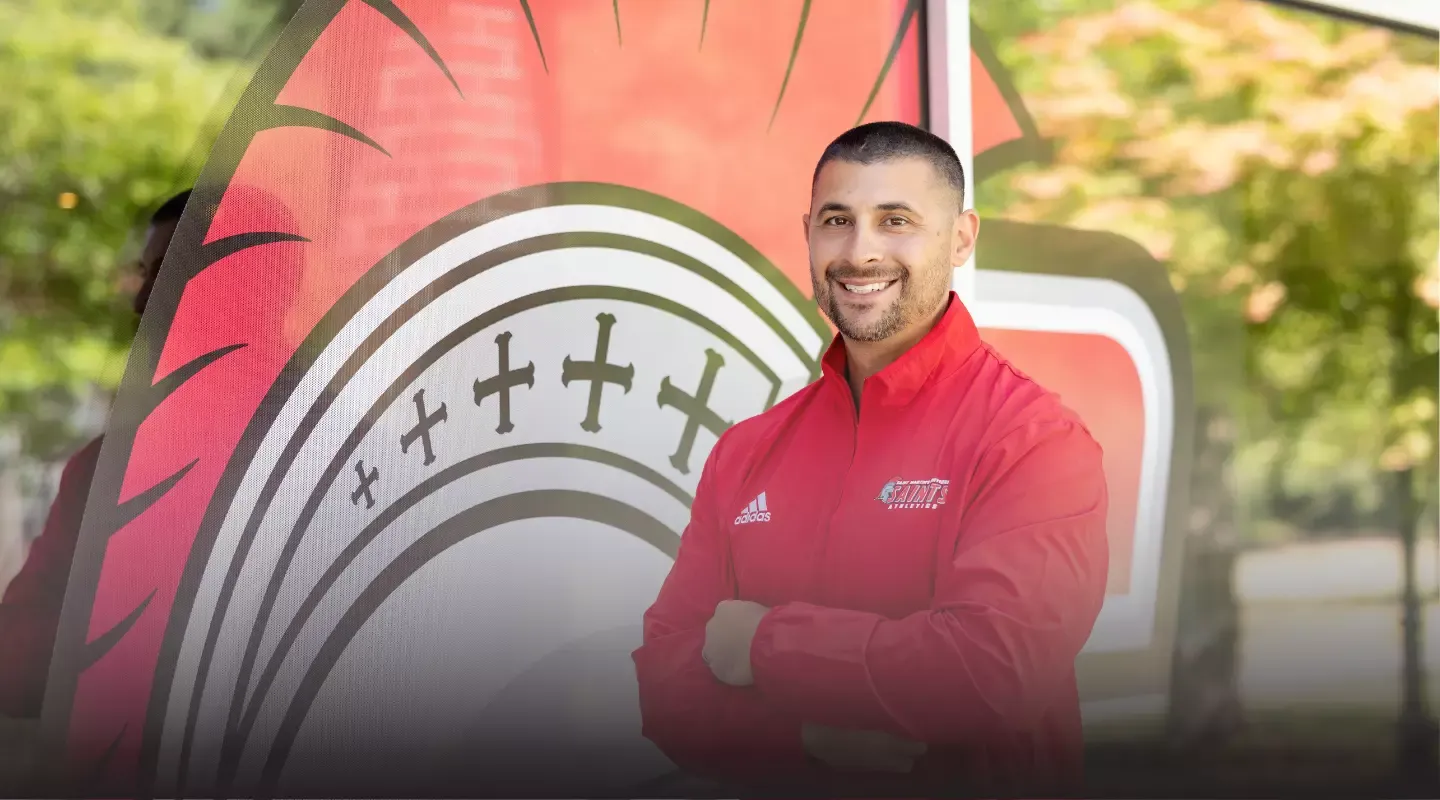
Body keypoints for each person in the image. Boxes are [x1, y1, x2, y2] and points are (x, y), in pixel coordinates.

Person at [631, 121, 1109, 796]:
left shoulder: (1032, 440)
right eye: (837, 221)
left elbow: (993, 673)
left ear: (962, 237)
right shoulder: (746, 453)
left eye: (896, 221)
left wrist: (764, 644)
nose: (860, 252)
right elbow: (664, 682)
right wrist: (800, 739)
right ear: (808, 234)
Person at [0, 189, 190, 719]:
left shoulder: (327, 449)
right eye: (145, 273)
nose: (140, 301)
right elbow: (14, 660)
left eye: (172, 273)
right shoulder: (104, 471)